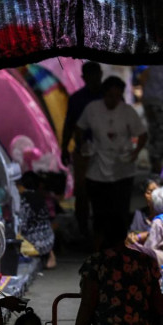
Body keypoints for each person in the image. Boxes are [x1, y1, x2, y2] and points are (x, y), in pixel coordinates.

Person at [75, 75, 148, 247]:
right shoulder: (92, 109)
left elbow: (142, 134)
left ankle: (120, 247)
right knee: (100, 212)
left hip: (122, 169)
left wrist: (135, 153)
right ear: (104, 94)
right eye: (110, 96)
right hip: (97, 168)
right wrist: (83, 145)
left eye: (117, 96)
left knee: (120, 212)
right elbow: (79, 128)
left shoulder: (127, 112)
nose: (113, 100)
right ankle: (99, 245)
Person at [61, 61, 104, 240]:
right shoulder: (77, 99)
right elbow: (69, 125)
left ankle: (100, 228)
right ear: (84, 78)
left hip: (105, 152)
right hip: (83, 151)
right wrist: (64, 148)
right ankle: (84, 228)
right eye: (90, 76)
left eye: (96, 75)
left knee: (103, 190)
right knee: (82, 190)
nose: (94, 79)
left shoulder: (108, 95)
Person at [16, 171, 59, 270]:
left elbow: (22, 225)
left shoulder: (24, 200)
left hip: (35, 244)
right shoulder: (40, 198)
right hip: (49, 240)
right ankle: (49, 255)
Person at [128, 175, 163, 247]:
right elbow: (131, 236)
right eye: (149, 192)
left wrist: (142, 236)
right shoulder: (138, 214)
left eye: (156, 192)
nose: (153, 196)